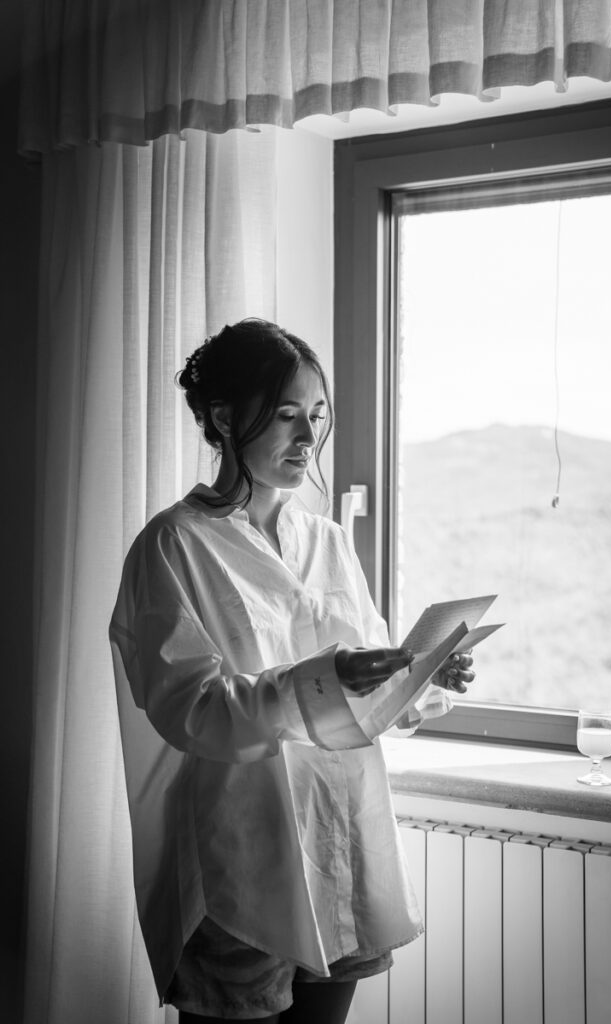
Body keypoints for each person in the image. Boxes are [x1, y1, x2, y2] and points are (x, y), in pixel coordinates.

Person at [109, 318, 475, 1024]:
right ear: (222, 417)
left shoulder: (328, 541)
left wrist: (420, 677)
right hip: (242, 864)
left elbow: (367, 706)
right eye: (285, 417)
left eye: (316, 416)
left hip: (343, 842)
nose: (307, 441)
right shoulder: (173, 545)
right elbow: (192, 710)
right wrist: (329, 676)